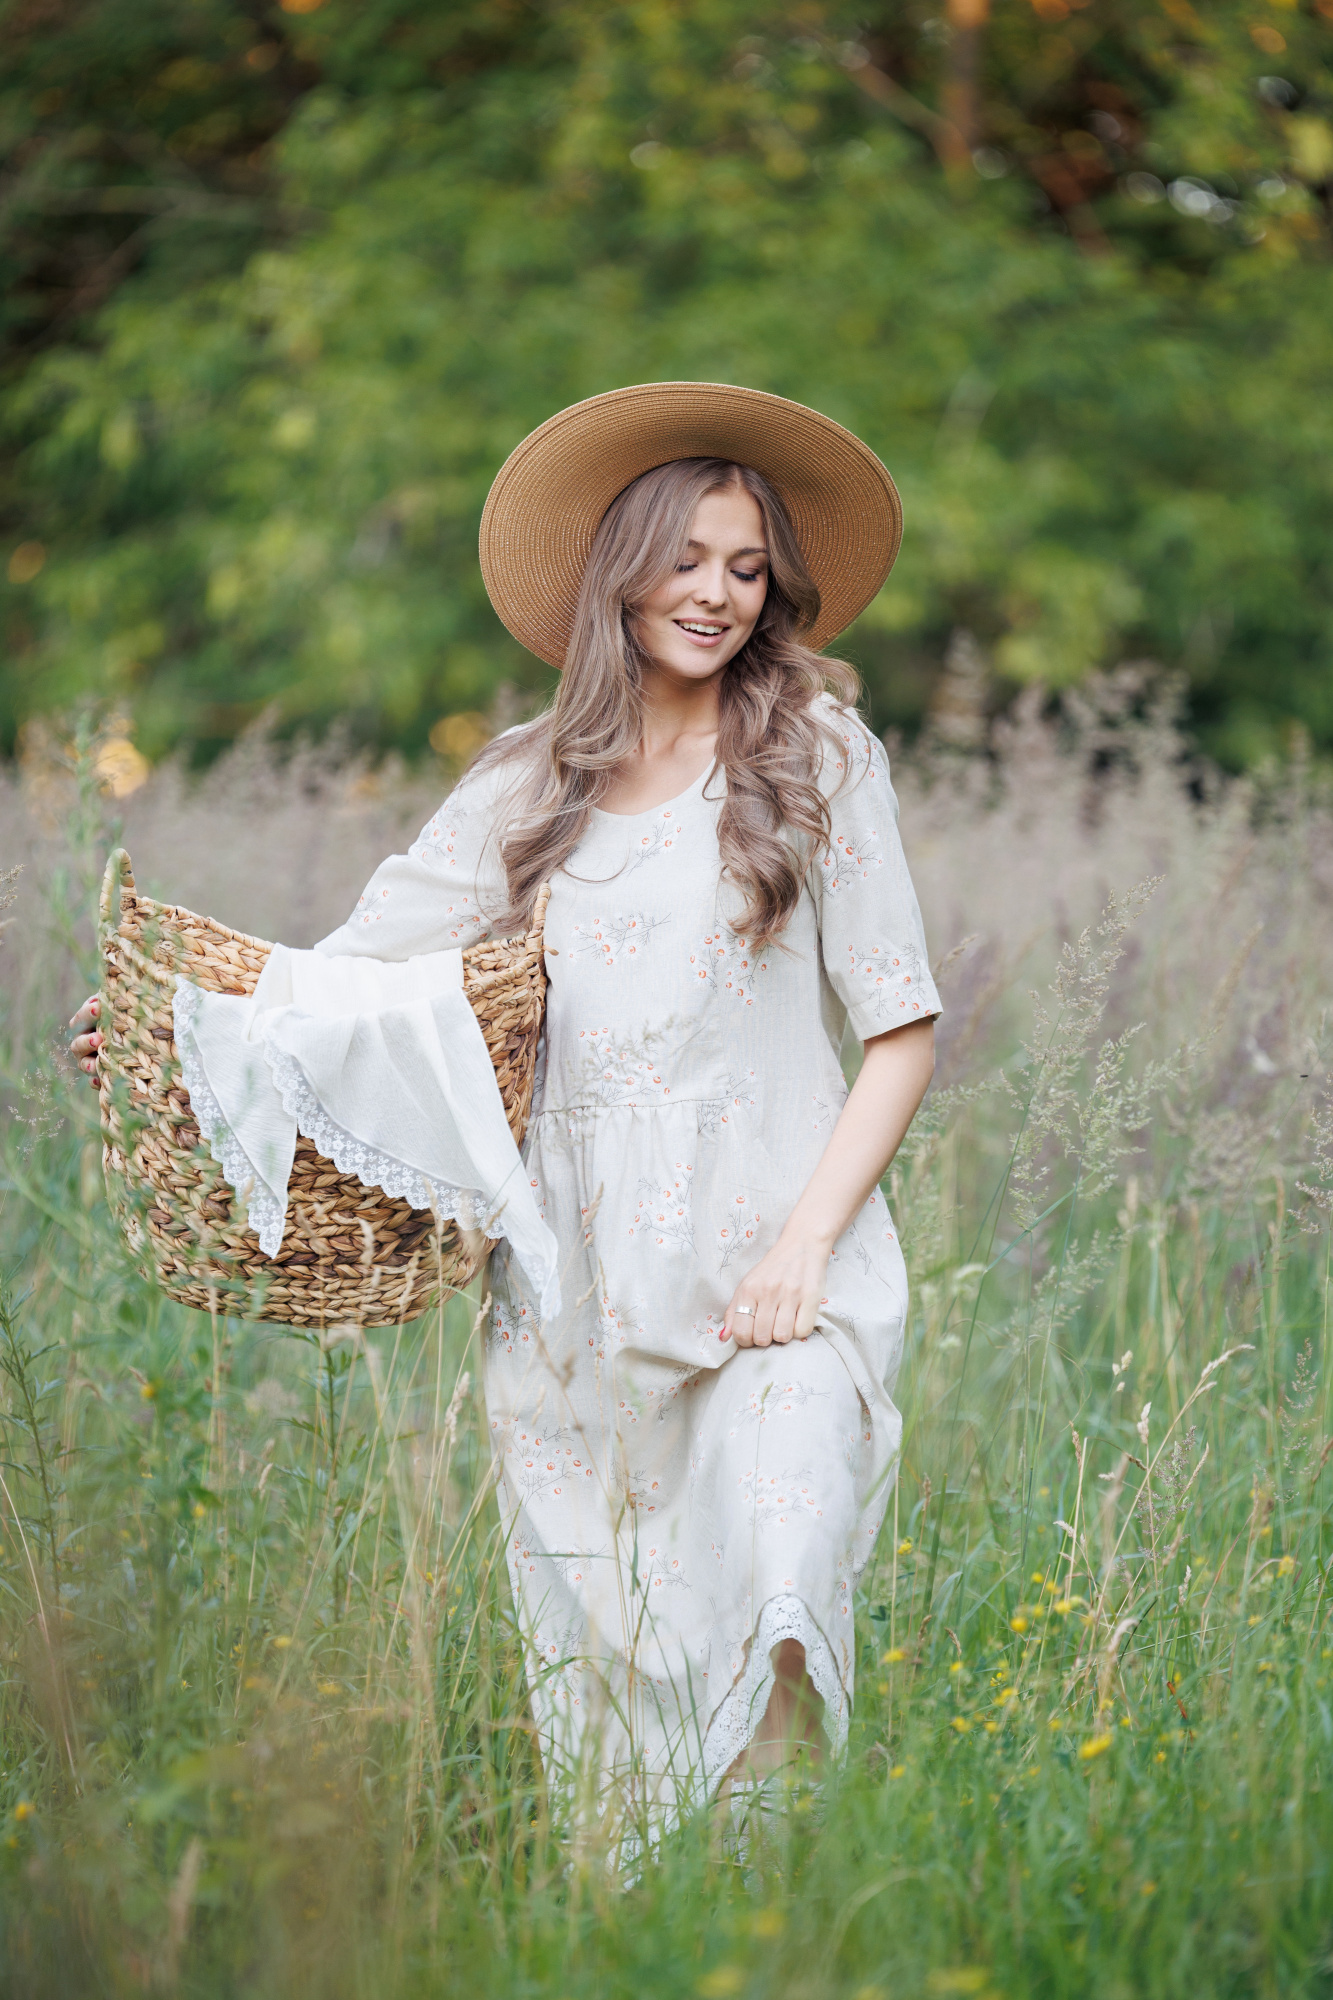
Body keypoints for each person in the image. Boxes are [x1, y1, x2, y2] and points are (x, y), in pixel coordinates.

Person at [71, 383, 941, 1846]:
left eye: (746, 568)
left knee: (784, 1583)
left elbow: (901, 1028)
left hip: (776, 1284)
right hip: (572, 1307)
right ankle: (653, 1934)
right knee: (618, 1684)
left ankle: (789, 1913)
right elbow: (346, 982)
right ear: (619, 571)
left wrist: (806, 1251)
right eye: (684, 559)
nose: (716, 594)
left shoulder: (817, 757)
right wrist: (174, 1032)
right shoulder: (523, 788)